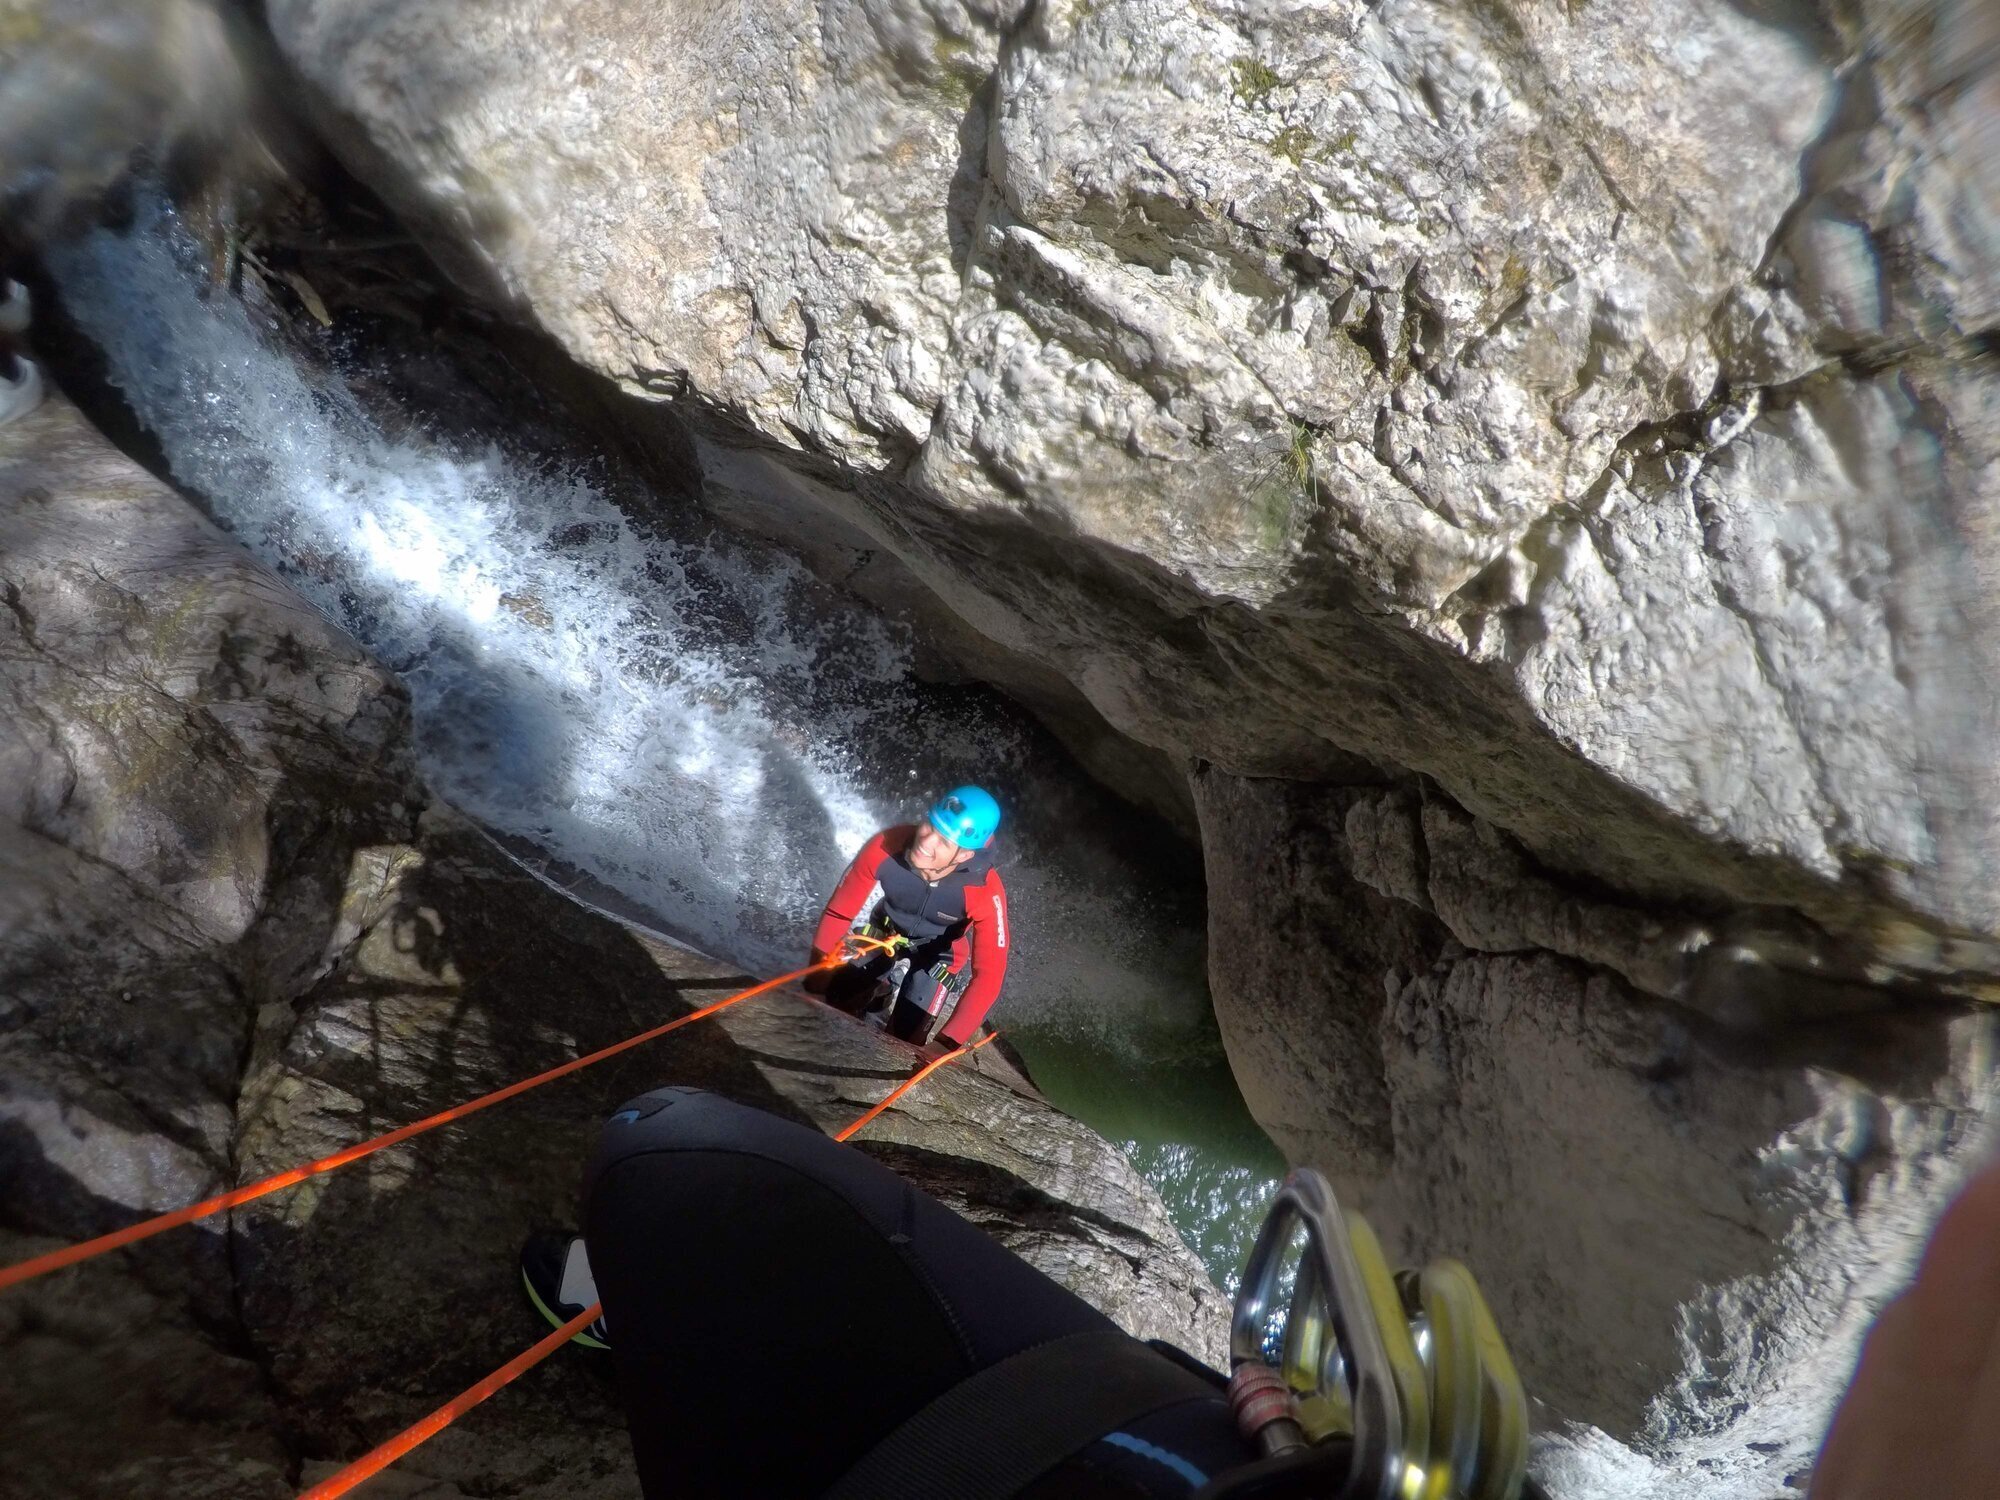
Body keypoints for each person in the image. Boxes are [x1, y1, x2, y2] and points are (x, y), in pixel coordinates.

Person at [524, 1087, 1269, 1498]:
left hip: (1128, 1426)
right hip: (1193, 1436)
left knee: (658, 1142)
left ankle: (633, 1318)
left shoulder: (973, 896)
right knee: (664, 1144)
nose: (934, 848)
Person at [807, 785, 1010, 1050]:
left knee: (905, 1042)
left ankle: (888, 991)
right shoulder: (885, 845)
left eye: (944, 841)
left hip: (938, 957)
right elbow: (839, 912)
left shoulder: (985, 891)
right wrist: (814, 985)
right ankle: (880, 991)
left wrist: (947, 1044)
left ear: (964, 855)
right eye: (930, 826)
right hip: (885, 933)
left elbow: (989, 976)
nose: (925, 842)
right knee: (836, 1000)